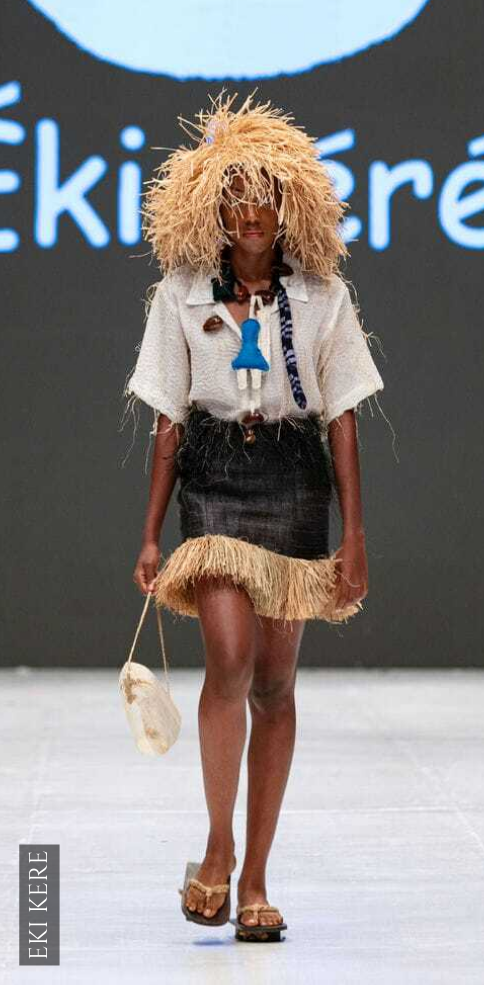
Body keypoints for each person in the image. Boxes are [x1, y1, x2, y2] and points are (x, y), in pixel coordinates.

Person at [122, 90, 385, 939]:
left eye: (265, 195)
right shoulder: (179, 295)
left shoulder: (323, 297)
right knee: (229, 659)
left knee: (274, 683)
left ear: (288, 205)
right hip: (212, 482)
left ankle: (257, 877)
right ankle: (218, 843)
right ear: (213, 207)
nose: (250, 212)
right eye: (234, 195)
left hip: (293, 486)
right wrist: (152, 532)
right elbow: (168, 418)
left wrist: (354, 534)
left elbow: (342, 416)